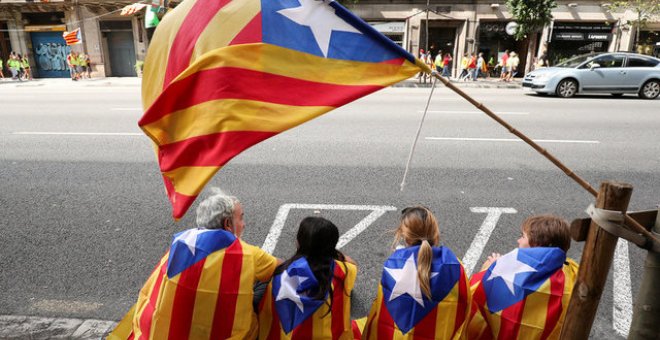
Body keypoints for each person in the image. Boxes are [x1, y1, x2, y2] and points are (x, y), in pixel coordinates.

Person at [110, 189, 279, 339]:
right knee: (269, 281)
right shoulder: (247, 254)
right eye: (241, 218)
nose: (244, 224)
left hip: (166, 331)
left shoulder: (180, 245)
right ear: (228, 224)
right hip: (228, 332)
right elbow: (280, 266)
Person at [361, 206, 471, 339]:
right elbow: (465, 305)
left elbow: (379, 311)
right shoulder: (454, 266)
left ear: (404, 235)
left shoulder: (394, 264)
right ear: (435, 232)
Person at [467, 215, 579, 340]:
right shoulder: (573, 276)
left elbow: (473, 295)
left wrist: (490, 269)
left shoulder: (502, 275)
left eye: (523, 236)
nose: (518, 241)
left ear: (536, 245)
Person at [258, 216, 358, 339]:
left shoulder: (282, 277)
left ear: (298, 242)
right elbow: (353, 264)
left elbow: (268, 314)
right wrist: (332, 252)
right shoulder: (344, 271)